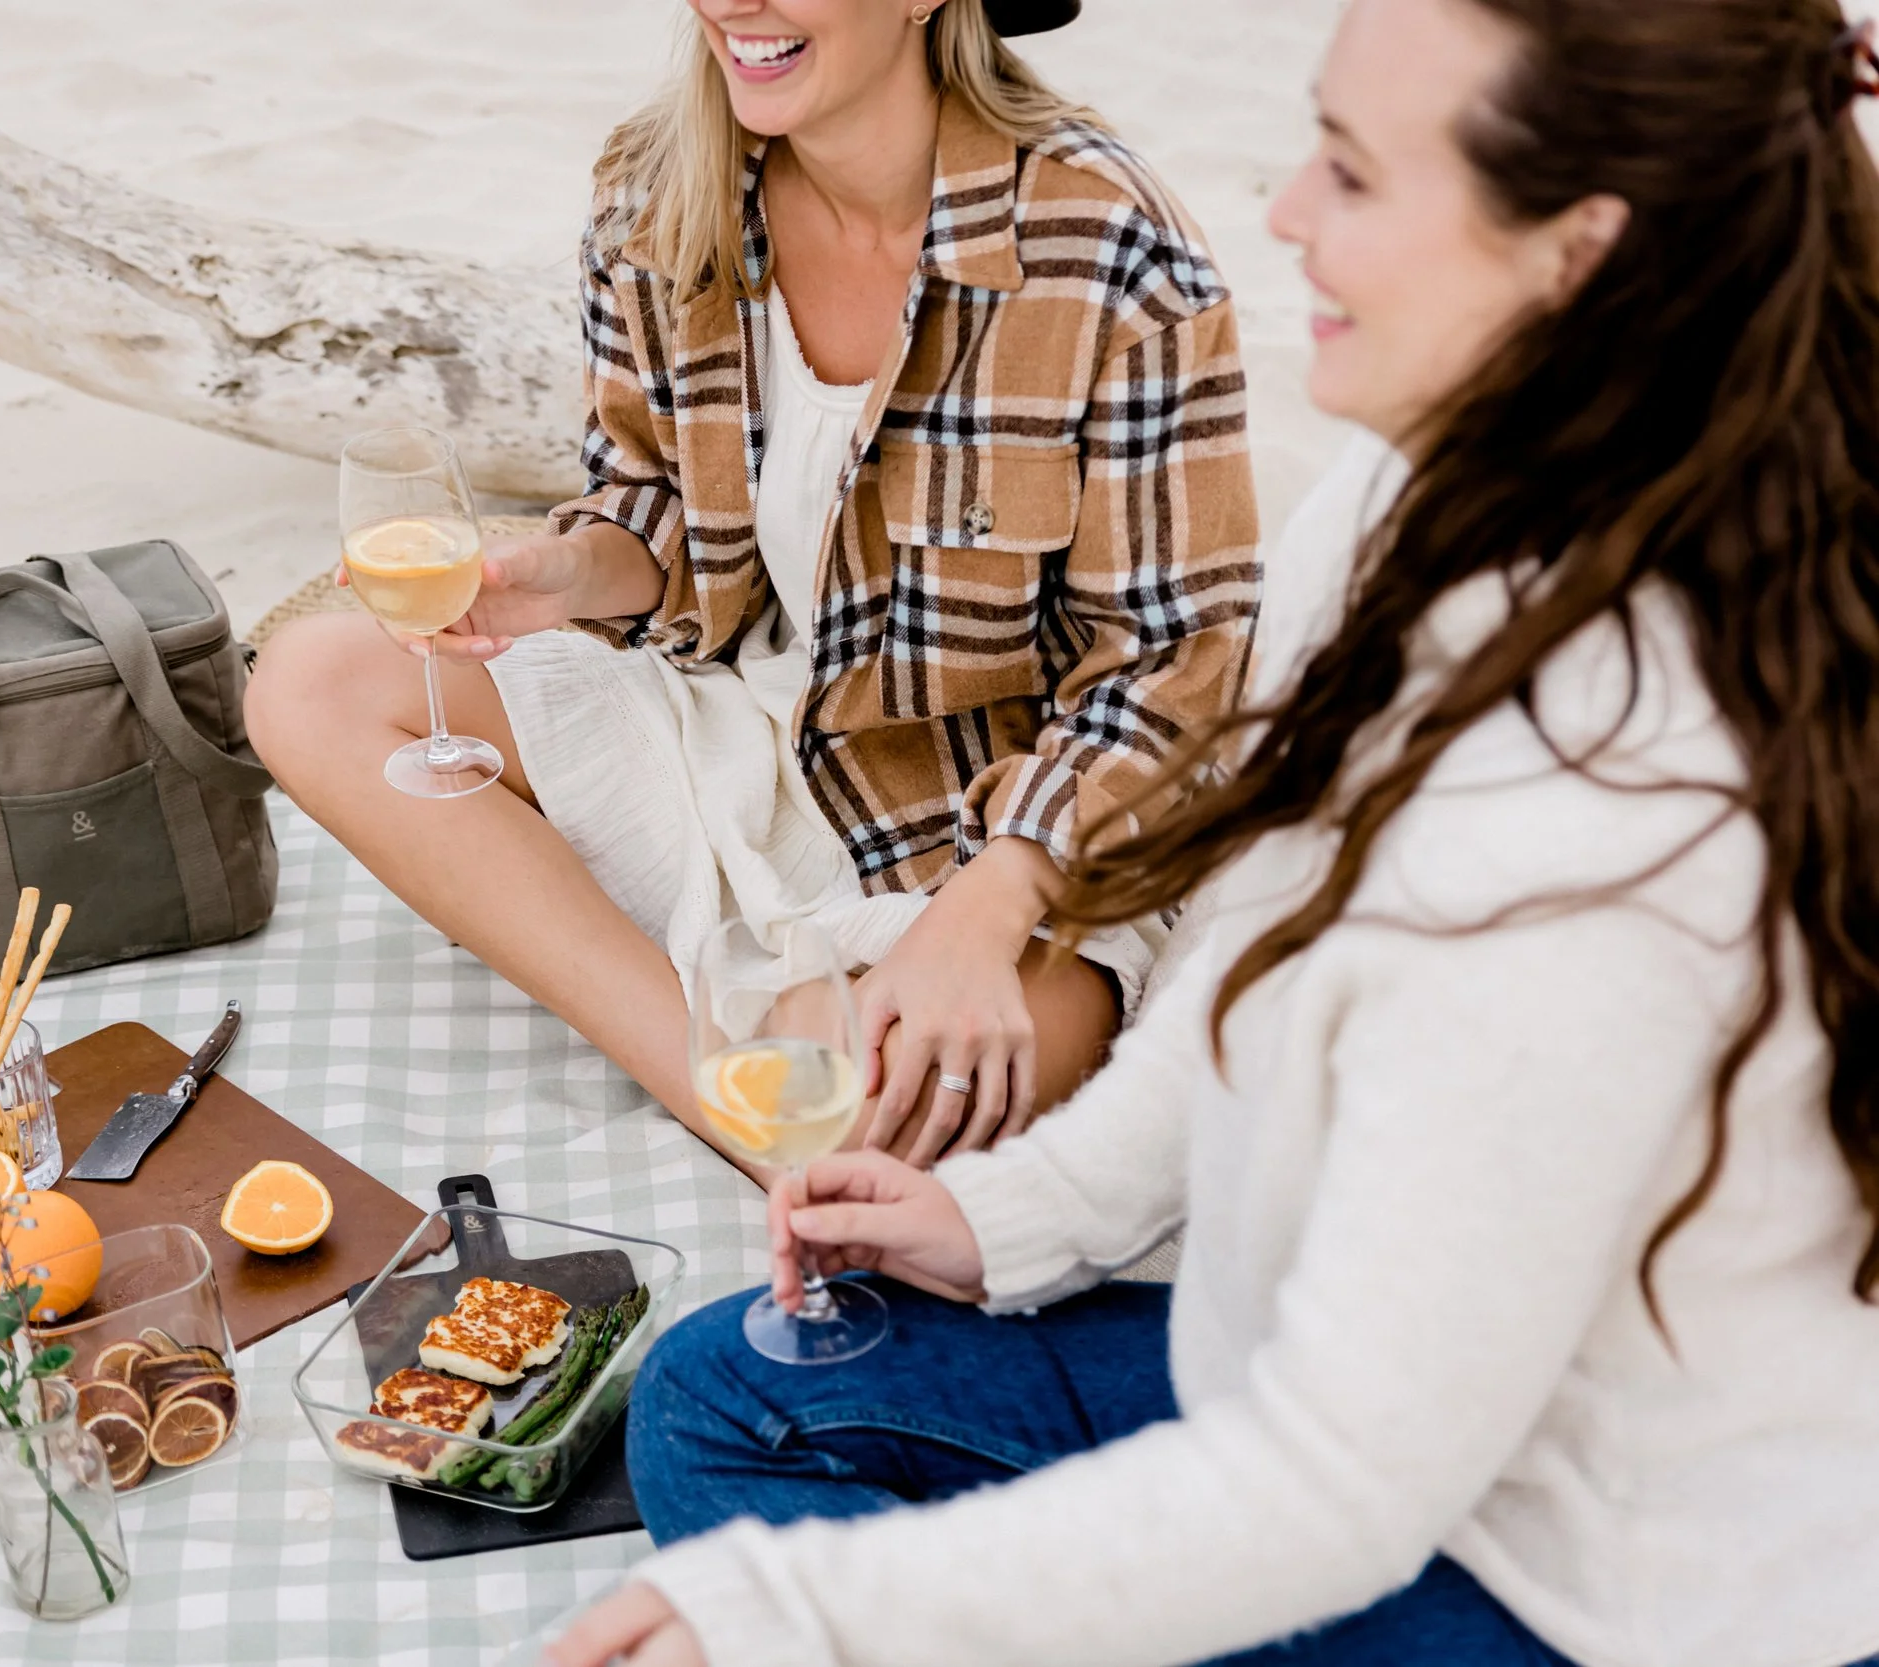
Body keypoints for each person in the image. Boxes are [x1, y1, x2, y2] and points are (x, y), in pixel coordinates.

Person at [550, 0, 1879, 1662]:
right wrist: (1023, 1211)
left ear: (1574, 254)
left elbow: (1333, 1482)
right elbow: (1260, 944)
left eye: (1354, 171)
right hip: (1343, 1393)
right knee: (721, 1402)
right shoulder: (1421, 497)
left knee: (766, 1587)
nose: (1284, 211)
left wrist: (799, 1610)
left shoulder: (1609, 831)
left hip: (1580, 1586)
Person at [246, 0, 1261, 1173]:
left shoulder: (1111, 252)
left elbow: (1175, 668)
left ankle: (779, 1055)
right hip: (740, 729)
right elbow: (654, 500)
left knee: (902, 1121)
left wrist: (981, 916)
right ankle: (713, 1081)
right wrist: (567, 571)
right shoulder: (656, 188)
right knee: (307, 681)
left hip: (1009, 823)